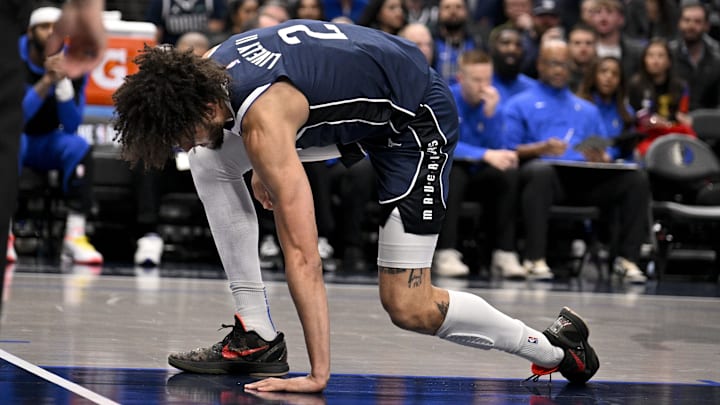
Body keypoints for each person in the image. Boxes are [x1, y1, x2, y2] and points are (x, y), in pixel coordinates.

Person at [112, 20, 599, 393]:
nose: (180, 143)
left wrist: (317, 374)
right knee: (208, 159)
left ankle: (555, 349)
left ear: (206, 110)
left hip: (414, 122)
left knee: (409, 306)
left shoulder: (263, 120)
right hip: (358, 99)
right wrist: (268, 155)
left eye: (181, 133)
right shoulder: (207, 70)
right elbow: (290, 93)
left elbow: (304, 256)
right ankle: (254, 333)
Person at [504, 39, 650, 283]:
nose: (559, 70)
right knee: (540, 172)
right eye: (553, 63)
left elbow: (605, 148)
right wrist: (540, 148)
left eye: (564, 64)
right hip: (546, 178)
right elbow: (508, 150)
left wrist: (602, 156)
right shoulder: (519, 104)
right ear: (540, 65)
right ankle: (534, 258)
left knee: (636, 178)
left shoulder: (587, 109)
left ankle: (627, 260)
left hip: (584, 178)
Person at [0, 0, 106, 302]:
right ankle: (7, 232)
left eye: (55, 28)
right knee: (13, 143)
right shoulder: (12, 57)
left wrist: (61, 85)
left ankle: (75, 234)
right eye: (44, 27)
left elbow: (71, 124)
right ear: (30, 31)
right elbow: (15, 118)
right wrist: (45, 81)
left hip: (47, 141)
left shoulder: (72, 62)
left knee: (79, 146)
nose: (50, 33)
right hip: (17, 139)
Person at [434, 49, 525, 279]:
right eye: (476, 80)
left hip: (480, 175)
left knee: (508, 174)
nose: (484, 86)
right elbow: (444, 143)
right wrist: (484, 154)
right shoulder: (445, 98)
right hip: (450, 171)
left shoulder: (494, 102)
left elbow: (500, 148)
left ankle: (504, 253)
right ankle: (446, 252)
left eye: (487, 80)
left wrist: (491, 115)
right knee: (454, 173)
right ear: (461, 78)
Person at [627, 38, 695, 157]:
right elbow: (631, 114)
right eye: (651, 56)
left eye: (660, 56)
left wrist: (684, 119)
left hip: (674, 134)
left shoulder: (680, 86)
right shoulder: (635, 85)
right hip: (646, 135)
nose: (655, 60)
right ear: (644, 60)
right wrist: (650, 120)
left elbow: (683, 113)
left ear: (669, 61)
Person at [576, 56, 636, 161]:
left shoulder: (626, 112)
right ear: (594, 76)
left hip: (616, 168)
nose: (609, 77)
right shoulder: (580, 108)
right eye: (603, 72)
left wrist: (610, 157)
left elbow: (629, 152)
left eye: (615, 74)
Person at [669, 1, 720, 111]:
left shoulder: (717, 57)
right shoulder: (668, 55)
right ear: (679, 23)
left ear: (706, 26)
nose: (691, 26)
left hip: (709, 121)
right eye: (686, 20)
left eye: (697, 21)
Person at [146, 0, 228, 45]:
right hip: (171, 51)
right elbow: (156, 33)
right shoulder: (161, 3)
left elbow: (218, 27)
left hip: (204, 48)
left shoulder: (212, 2)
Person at [567, 24, 597, 92]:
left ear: (596, 47)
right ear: (568, 46)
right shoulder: (561, 76)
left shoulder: (601, 76)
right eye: (577, 43)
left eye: (588, 43)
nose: (583, 48)